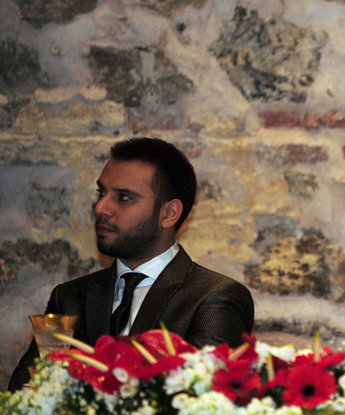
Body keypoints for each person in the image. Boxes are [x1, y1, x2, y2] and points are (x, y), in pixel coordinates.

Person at [9, 138, 254, 391]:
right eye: (101, 193)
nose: (101, 208)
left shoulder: (213, 298)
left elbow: (202, 397)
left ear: (169, 213)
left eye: (124, 197)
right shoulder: (70, 297)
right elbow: (24, 392)